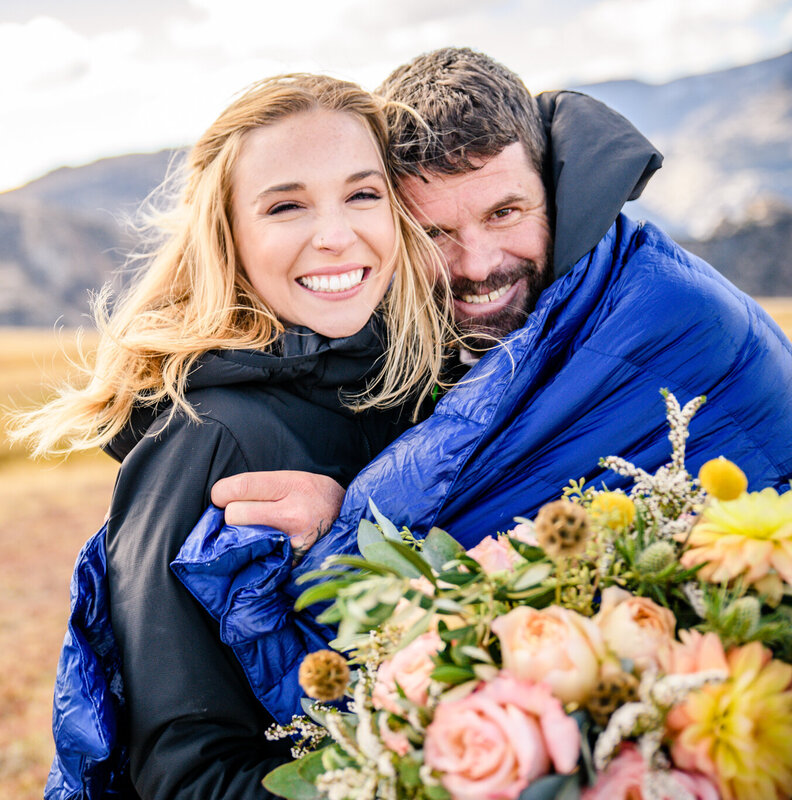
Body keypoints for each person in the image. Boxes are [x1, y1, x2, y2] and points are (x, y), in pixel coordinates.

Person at [180, 47, 792, 725]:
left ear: (555, 190)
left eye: (506, 213)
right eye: (436, 231)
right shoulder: (427, 339)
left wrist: (346, 525)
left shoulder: (666, 309)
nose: (478, 266)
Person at [10, 74, 453, 800]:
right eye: (286, 206)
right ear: (228, 237)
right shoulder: (211, 439)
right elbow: (187, 776)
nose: (336, 234)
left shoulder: (407, 384)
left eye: (363, 194)